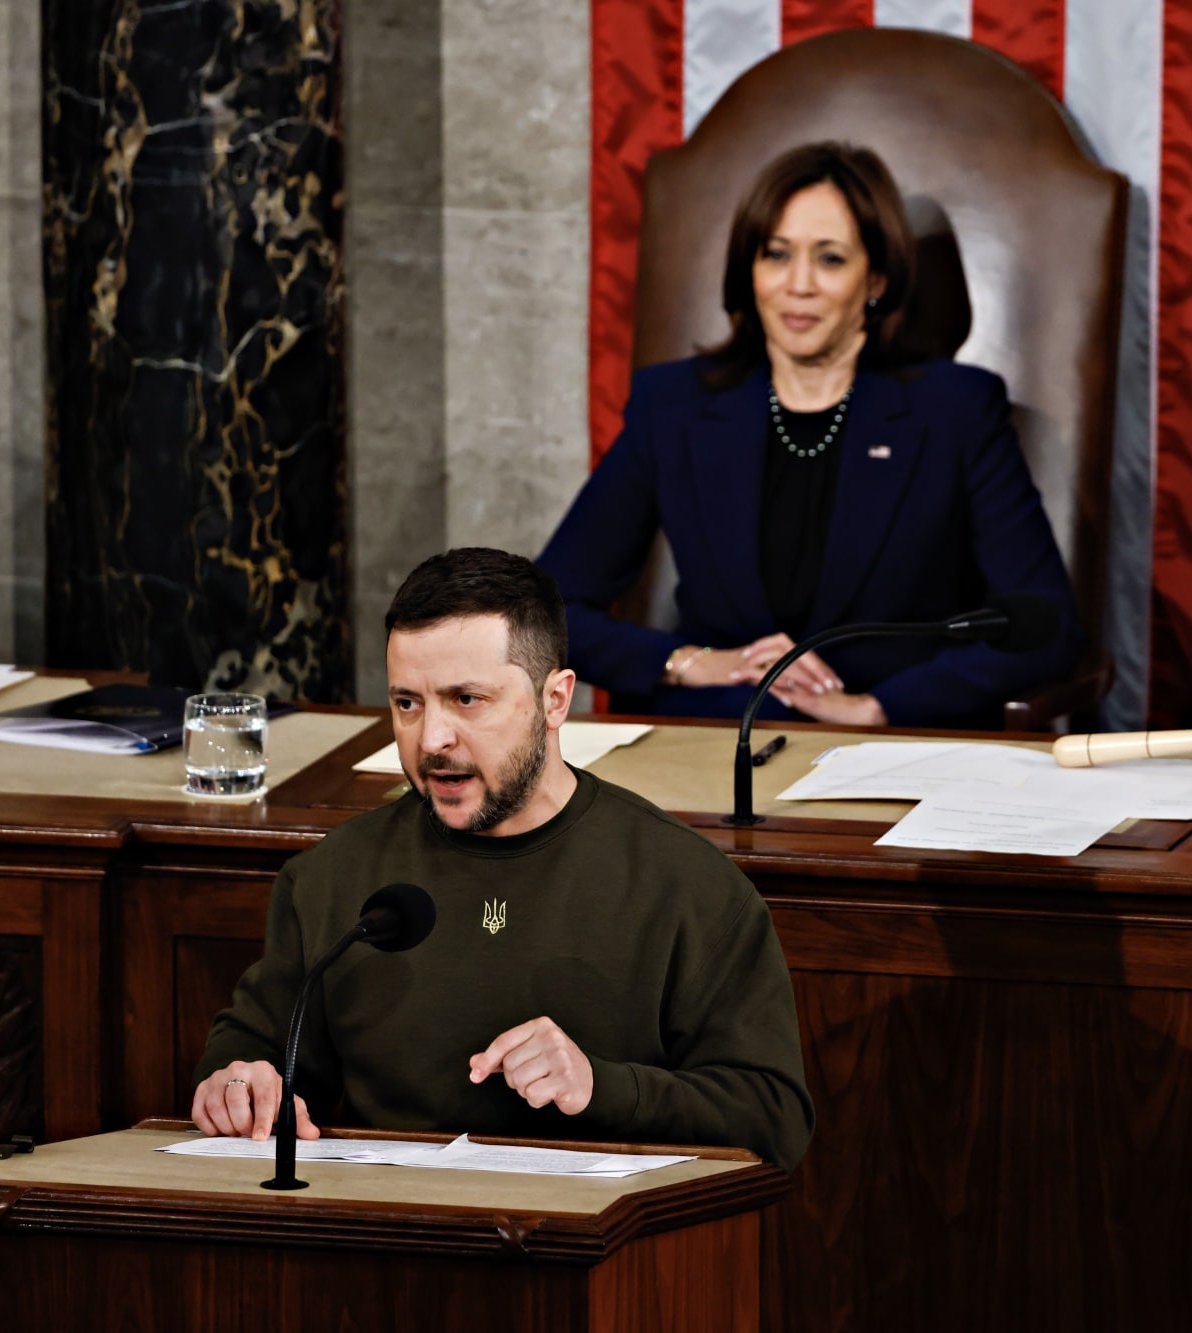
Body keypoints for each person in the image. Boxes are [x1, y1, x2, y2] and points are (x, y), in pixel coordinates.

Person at [191, 549, 814, 1171]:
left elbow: (775, 1116)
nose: (431, 739)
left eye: (467, 700)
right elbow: (254, 1044)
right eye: (407, 703)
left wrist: (602, 1086)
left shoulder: (685, 885)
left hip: (599, 1246)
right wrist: (238, 1084)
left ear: (555, 700)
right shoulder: (333, 875)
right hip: (384, 1234)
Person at [536, 141, 1080, 729]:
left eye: (829, 259)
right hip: (714, 735)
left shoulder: (956, 411)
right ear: (750, 272)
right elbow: (547, 610)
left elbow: (1045, 625)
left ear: (875, 278)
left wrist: (878, 708)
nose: (799, 284)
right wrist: (687, 662)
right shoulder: (675, 406)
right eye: (776, 255)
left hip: (885, 749)